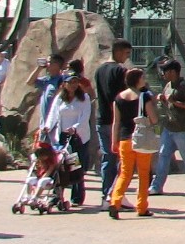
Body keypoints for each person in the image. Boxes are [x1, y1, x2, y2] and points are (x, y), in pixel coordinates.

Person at [108, 68, 159, 219]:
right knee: (143, 174)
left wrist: (114, 141)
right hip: (141, 139)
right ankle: (142, 207)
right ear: (137, 80)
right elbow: (154, 119)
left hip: (125, 139)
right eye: (142, 77)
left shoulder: (119, 98)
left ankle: (115, 202)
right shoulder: (144, 97)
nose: (145, 80)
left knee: (125, 173)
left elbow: (116, 122)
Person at [151, 58, 185, 196]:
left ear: (173, 71)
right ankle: (157, 186)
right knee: (163, 155)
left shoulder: (184, 86)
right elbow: (168, 103)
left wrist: (175, 102)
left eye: (165, 71)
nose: (163, 74)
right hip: (169, 127)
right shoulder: (168, 85)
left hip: (183, 129)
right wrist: (162, 99)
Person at [42, 77, 93, 205]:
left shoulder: (84, 98)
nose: (73, 85)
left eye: (75, 82)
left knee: (74, 166)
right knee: (59, 165)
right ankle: (57, 194)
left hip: (77, 138)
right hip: (62, 137)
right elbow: (53, 114)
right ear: (64, 84)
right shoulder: (60, 98)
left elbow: (85, 116)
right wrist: (48, 126)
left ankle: (77, 197)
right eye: (70, 82)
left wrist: (75, 128)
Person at [94, 40, 132, 201]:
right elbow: (122, 97)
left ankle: (106, 193)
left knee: (107, 157)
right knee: (121, 159)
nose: (126, 57)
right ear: (117, 51)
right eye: (126, 53)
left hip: (101, 119)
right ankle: (114, 194)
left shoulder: (99, 70)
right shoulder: (120, 71)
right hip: (117, 121)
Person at [29, 53, 68, 128]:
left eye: (49, 62)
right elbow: (29, 82)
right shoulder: (46, 79)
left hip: (56, 124)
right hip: (44, 124)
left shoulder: (62, 80)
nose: (46, 64)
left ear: (56, 65)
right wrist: (39, 68)